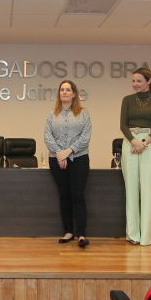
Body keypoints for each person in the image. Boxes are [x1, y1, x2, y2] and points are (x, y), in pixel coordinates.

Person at [120, 67, 151, 246]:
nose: (135, 84)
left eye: (139, 81)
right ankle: (133, 235)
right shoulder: (127, 100)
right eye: (133, 81)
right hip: (130, 142)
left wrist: (144, 142)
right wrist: (133, 141)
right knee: (131, 190)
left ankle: (146, 237)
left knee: (147, 190)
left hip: (149, 143)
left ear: (149, 81)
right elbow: (123, 125)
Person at [44, 80, 92, 248]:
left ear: (74, 94)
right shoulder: (52, 115)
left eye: (68, 90)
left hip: (79, 159)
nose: (64, 92)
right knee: (64, 196)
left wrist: (69, 151)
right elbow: (47, 136)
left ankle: (81, 234)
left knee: (78, 195)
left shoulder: (83, 113)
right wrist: (59, 153)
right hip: (57, 160)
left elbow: (85, 137)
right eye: (62, 90)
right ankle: (68, 231)